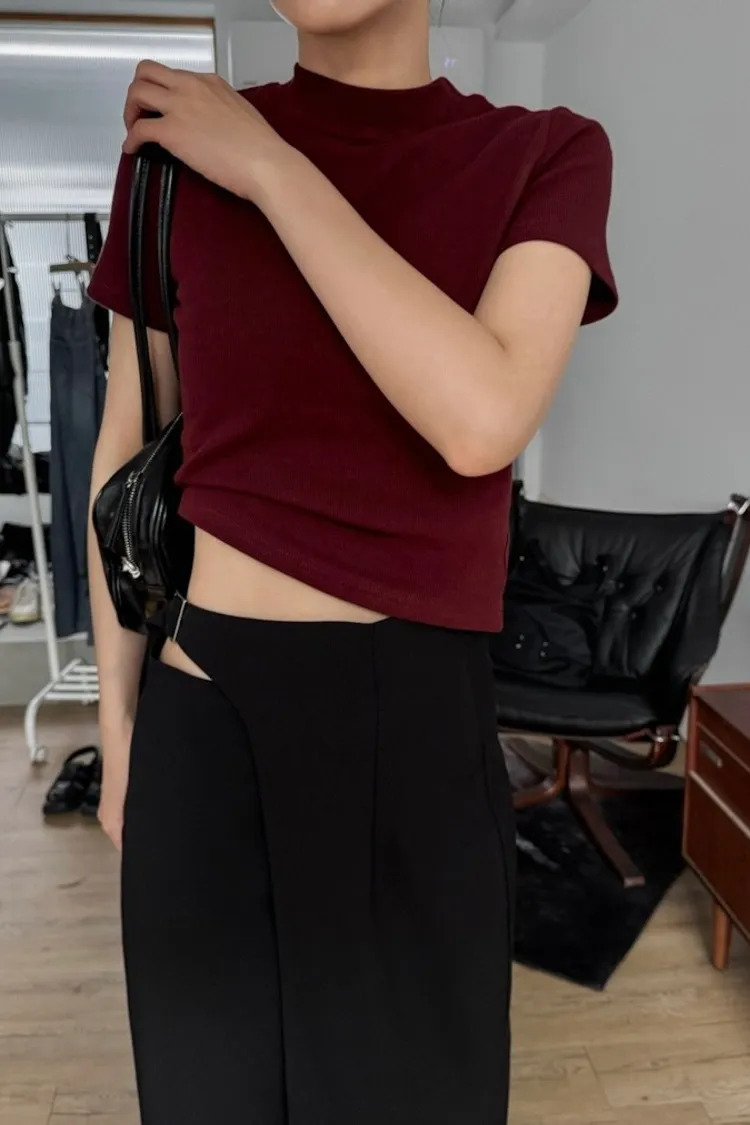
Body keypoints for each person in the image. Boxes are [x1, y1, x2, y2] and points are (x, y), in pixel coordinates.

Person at [86, 0, 617, 1120]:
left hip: (416, 736)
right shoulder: (173, 155)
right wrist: (120, 735)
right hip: (204, 717)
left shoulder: (547, 151)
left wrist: (271, 168)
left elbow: (481, 419)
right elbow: (129, 445)